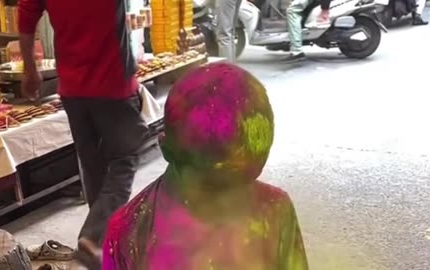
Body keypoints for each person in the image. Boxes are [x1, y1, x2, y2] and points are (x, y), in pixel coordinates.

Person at [103, 62, 308, 270]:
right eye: (211, 188)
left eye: (244, 182)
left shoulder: (276, 209)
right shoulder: (129, 232)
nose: (229, 201)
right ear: (165, 149)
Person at [18, 0, 149, 269]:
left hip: (73, 89)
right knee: (125, 160)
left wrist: (30, 70)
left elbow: (26, 18)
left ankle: (101, 245)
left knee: (93, 166)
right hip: (113, 86)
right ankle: (95, 238)